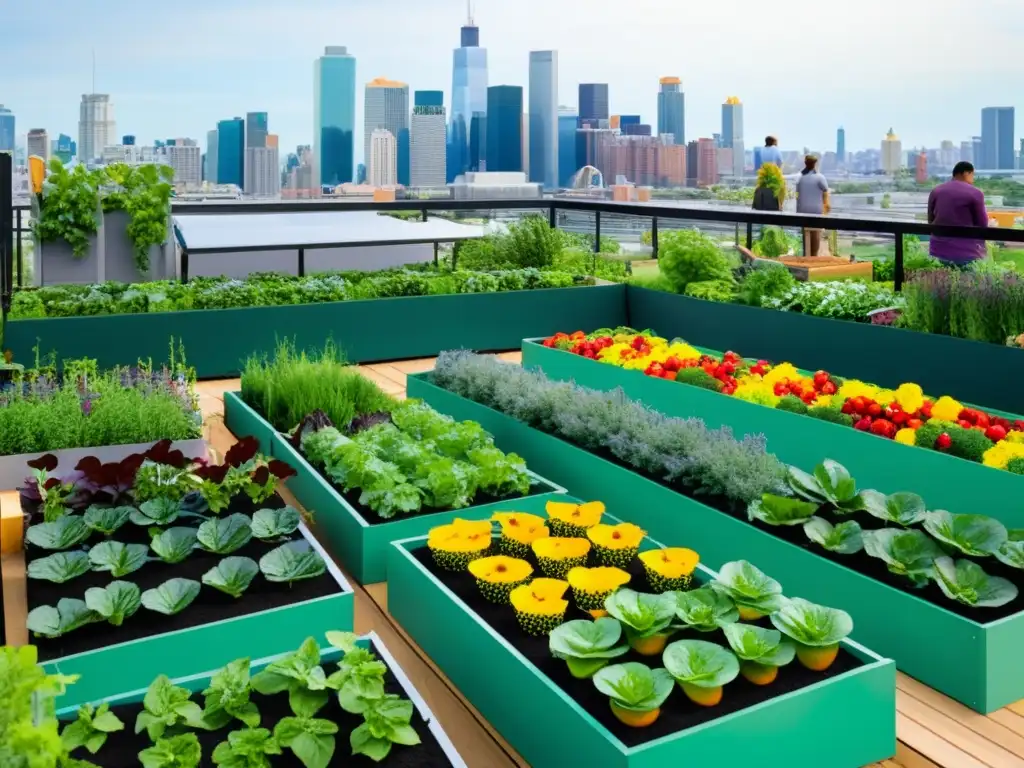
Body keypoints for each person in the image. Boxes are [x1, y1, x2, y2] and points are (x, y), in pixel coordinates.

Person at [927, 161, 989, 269]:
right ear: (966, 173)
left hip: (937, 251)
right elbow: (982, 224)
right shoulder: (975, 193)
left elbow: (930, 220)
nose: (973, 179)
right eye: (972, 175)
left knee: (939, 284)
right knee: (968, 284)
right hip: (966, 253)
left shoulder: (936, 191)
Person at [795, 154, 829, 256]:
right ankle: (813, 257)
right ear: (815, 164)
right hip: (816, 211)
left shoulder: (799, 177)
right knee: (815, 235)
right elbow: (825, 191)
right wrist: (826, 206)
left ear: (805, 163)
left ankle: (808, 256)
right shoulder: (819, 177)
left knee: (806, 235)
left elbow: (796, 194)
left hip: (802, 211)